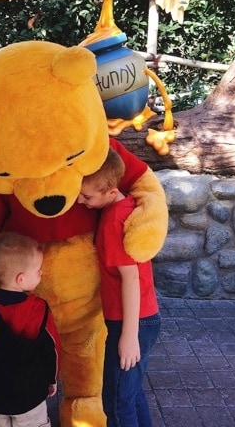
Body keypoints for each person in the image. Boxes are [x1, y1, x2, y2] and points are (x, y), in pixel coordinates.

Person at [77, 148, 161, 427]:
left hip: (132, 322)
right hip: (140, 319)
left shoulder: (114, 220)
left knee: (116, 402)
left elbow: (130, 278)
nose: (80, 201)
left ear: (111, 192)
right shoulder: (123, 206)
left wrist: (129, 336)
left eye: (87, 196)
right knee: (131, 394)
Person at [0, 231, 61, 427]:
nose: (41, 273)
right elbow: (51, 348)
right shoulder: (39, 309)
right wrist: (52, 378)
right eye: (38, 270)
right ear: (21, 279)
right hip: (30, 393)